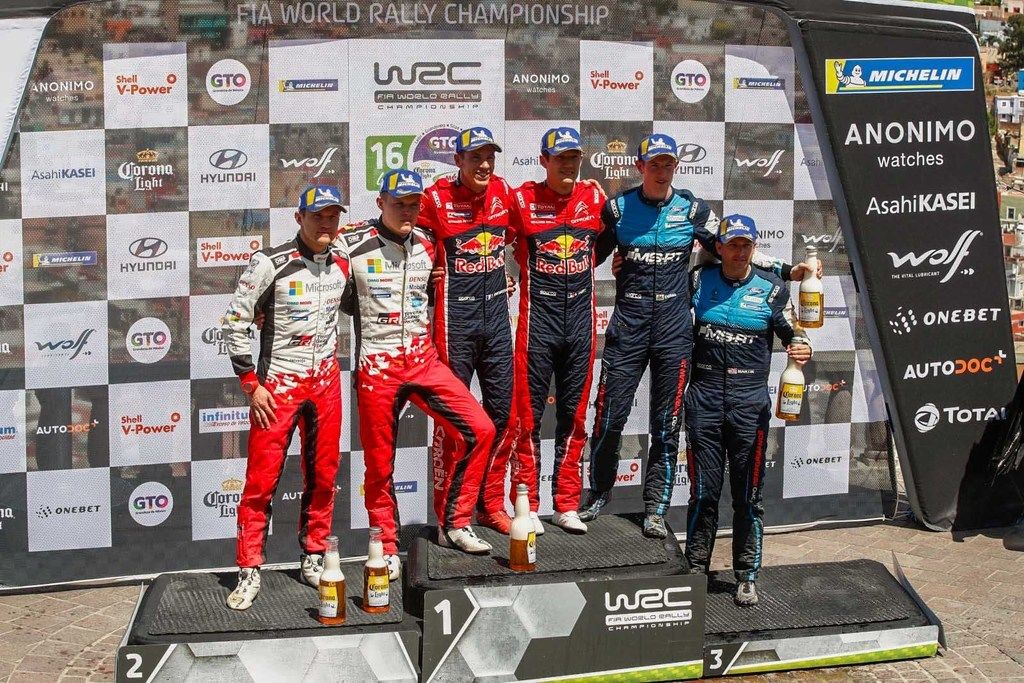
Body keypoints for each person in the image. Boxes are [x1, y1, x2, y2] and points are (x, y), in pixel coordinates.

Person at [581, 134, 816, 538]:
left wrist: (786, 269)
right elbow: (585, 255)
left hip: (673, 331)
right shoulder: (617, 209)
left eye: (668, 163)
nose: (662, 171)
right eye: (654, 163)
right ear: (640, 167)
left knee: (666, 423)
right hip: (629, 326)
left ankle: (655, 508)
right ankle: (599, 492)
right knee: (609, 416)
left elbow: (732, 249)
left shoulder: (692, 209)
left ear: (676, 166)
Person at [337, 169, 497, 572]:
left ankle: (455, 523)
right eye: (399, 204)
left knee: (481, 429)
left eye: (413, 204)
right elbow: (316, 279)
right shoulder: (350, 243)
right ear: (380, 203)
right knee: (379, 466)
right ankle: (387, 546)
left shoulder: (428, 242)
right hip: (378, 367)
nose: (407, 211)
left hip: (423, 362)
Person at [221, 184, 349, 611]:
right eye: (317, 216)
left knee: (324, 476)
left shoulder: (344, 260)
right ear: (299, 218)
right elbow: (235, 322)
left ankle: (313, 556)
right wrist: (250, 383)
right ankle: (248, 569)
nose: (326, 223)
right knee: (260, 482)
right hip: (278, 385)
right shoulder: (269, 263)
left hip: (325, 382)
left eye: (332, 216)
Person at [685, 214, 812, 606]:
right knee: (703, 494)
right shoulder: (698, 280)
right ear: (719, 248)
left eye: (746, 245)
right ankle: (695, 571)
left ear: (754, 249)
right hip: (704, 398)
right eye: (732, 245)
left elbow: (795, 333)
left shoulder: (772, 290)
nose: (739, 252)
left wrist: (802, 347)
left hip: (749, 404)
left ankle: (747, 575)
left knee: (748, 496)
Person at [417, 126, 518, 534]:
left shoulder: (504, 192)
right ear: (457, 160)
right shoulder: (435, 198)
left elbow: (521, 236)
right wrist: (426, 276)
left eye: (489, 157)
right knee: (455, 424)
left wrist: (506, 274)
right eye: (475, 157)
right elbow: (408, 245)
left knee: (503, 416)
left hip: (496, 324)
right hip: (454, 324)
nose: (485, 165)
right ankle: (449, 516)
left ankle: (489, 505)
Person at [508, 126, 605, 534]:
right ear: (543, 160)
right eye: (560, 157)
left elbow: (610, 244)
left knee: (574, 417)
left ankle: (566, 504)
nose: (568, 165)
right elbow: (489, 233)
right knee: (527, 418)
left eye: (574, 158)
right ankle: (526, 503)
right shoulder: (521, 199)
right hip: (537, 324)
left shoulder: (595, 198)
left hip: (581, 325)